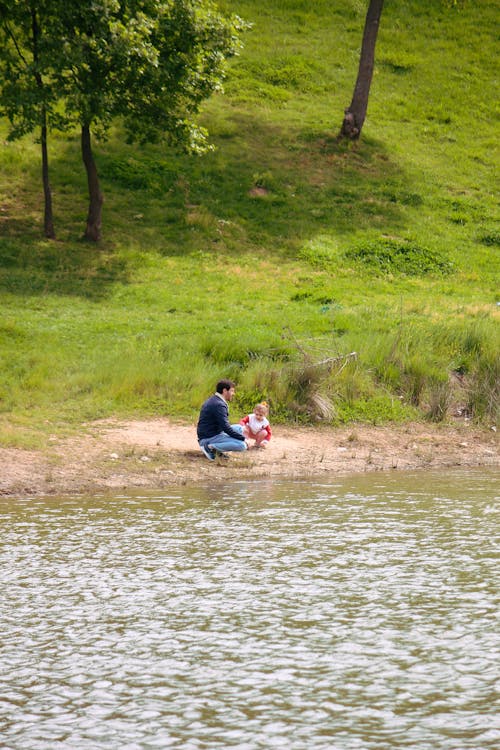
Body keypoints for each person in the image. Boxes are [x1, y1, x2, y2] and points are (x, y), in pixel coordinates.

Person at [197, 379, 248, 461]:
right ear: (225, 391)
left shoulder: (215, 399)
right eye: (232, 391)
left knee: (239, 428)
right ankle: (210, 448)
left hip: (209, 434)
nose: (233, 394)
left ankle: (216, 450)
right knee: (242, 445)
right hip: (208, 437)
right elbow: (226, 427)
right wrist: (243, 438)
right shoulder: (219, 405)